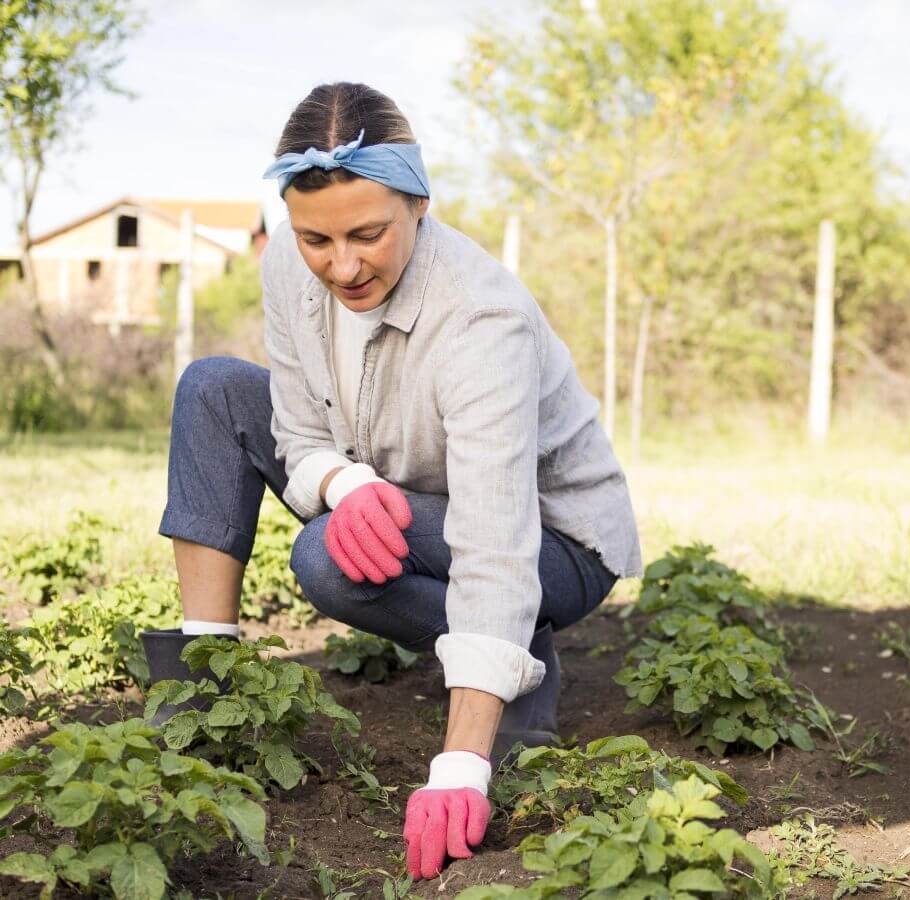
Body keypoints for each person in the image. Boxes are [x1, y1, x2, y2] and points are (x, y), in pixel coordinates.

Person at [138, 81, 641, 881]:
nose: (343, 265)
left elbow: (495, 539)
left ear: (418, 203)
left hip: (552, 543)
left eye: (368, 234)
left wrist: (460, 769)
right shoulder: (289, 268)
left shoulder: (481, 321)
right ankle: (203, 690)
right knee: (213, 387)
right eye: (316, 240)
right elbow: (299, 428)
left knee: (324, 561)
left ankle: (515, 662)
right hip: (400, 490)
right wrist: (341, 483)